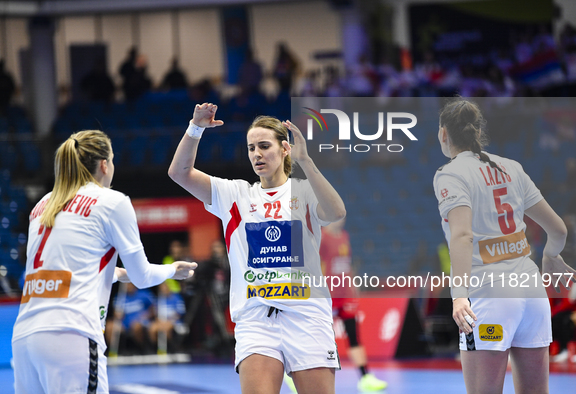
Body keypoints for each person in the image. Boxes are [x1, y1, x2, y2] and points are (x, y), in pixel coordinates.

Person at [169, 103, 346, 394]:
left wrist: (306, 160)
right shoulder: (235, 194)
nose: (257, 154)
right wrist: (195, 127)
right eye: (252, 148)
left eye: (264, 146)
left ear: (285, 149)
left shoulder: (303, 190)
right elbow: (180, 172)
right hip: (256, 319)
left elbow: (336, 211)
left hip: (307, 316)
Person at [12, 129, 197, 394]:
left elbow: (64, 269)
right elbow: (143, 276)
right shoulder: (111, 201)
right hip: (71, 333)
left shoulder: (42, 205)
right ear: (104, 164)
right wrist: (171, 270)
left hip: (25, 338)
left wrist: (116, 274)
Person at [433, 98, 576, 394]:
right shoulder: (511, 167)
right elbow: (559, 229)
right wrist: (550, 255)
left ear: (444, 133)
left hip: (489, 294)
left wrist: (459, 296)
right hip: (532, 292)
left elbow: (462, 236)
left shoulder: (450, 174)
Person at [284, 218, 387, 392]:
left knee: (354, 336)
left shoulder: (344, 236)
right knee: (312, 337)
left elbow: (347, 264)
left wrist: (353, 285)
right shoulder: (321, 238)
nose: (341, 218)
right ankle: (294, 374)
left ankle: (365, 377)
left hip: (345, 295)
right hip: (326, 295)